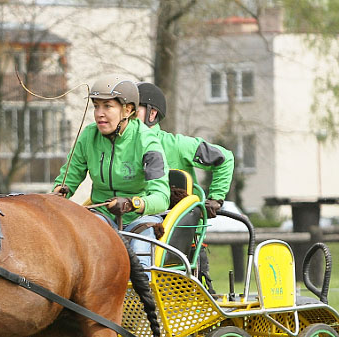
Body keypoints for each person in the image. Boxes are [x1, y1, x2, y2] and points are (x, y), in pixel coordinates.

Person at [52, 74, 170, 268]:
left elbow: (161, 197)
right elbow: (68, 179)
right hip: (102, 215)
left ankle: (139, 297)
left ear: (128, 110)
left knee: (141, 248)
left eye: (107, 106)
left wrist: (133, 203)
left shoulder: (147, 141)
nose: (99, 113)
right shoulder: (88, 136)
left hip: (141, 218)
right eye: (96, 106)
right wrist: (56, 195)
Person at [136, 81, 234, 217]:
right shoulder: (120, 149)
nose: (126, 117)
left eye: (133, 111)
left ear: (152, 114)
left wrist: (216, 198)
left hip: (180, 227)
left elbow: (225, 158)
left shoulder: (177, 146)